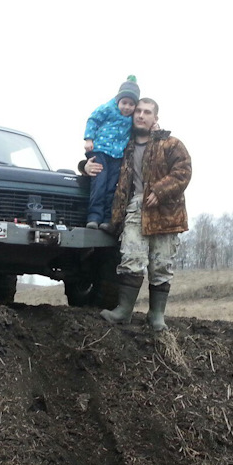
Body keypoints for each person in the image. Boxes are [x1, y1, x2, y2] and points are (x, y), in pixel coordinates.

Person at [90, 97, 192, 331]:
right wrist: (85, 165)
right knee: (131, 258)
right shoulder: (123, 145)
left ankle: (156, 315)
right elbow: (101, 158)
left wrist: (160, 190)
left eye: (147, 112)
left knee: (162, 264)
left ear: (155, 118)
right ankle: (123, 311)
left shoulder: (171, 144)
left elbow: (183, 171)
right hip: (135, 209)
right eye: (138, 111)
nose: (141, 115)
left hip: (167, 212)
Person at [82, 75, 140, 231]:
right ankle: (94, 216)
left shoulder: (132, 119)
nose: (127, 107)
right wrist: (89, 139)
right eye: (124, 103)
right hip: (100, 151)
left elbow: (144, 125)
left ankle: (107, 219)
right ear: (117, 100)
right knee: (99, 183)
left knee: (112, 187)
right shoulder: (107, 108)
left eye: (131, 104)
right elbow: (93, 119)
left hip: (117, 156)